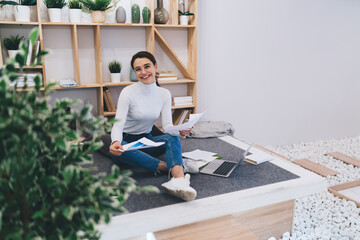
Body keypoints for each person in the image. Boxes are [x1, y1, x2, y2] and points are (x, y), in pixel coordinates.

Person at [109, 51, 197, 201]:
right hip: (127, 142)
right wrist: (115, 141)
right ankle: (170, 167)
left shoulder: (164, 94)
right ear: (135, 72)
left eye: (147, 66)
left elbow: (167, 126)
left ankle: (179, 181)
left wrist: (179, 129)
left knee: (172, 137)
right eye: (138, 69)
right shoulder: (128, 92)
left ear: (155, 67)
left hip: (147, 141)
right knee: (118, 150)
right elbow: (118, 124)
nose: (143, 72)